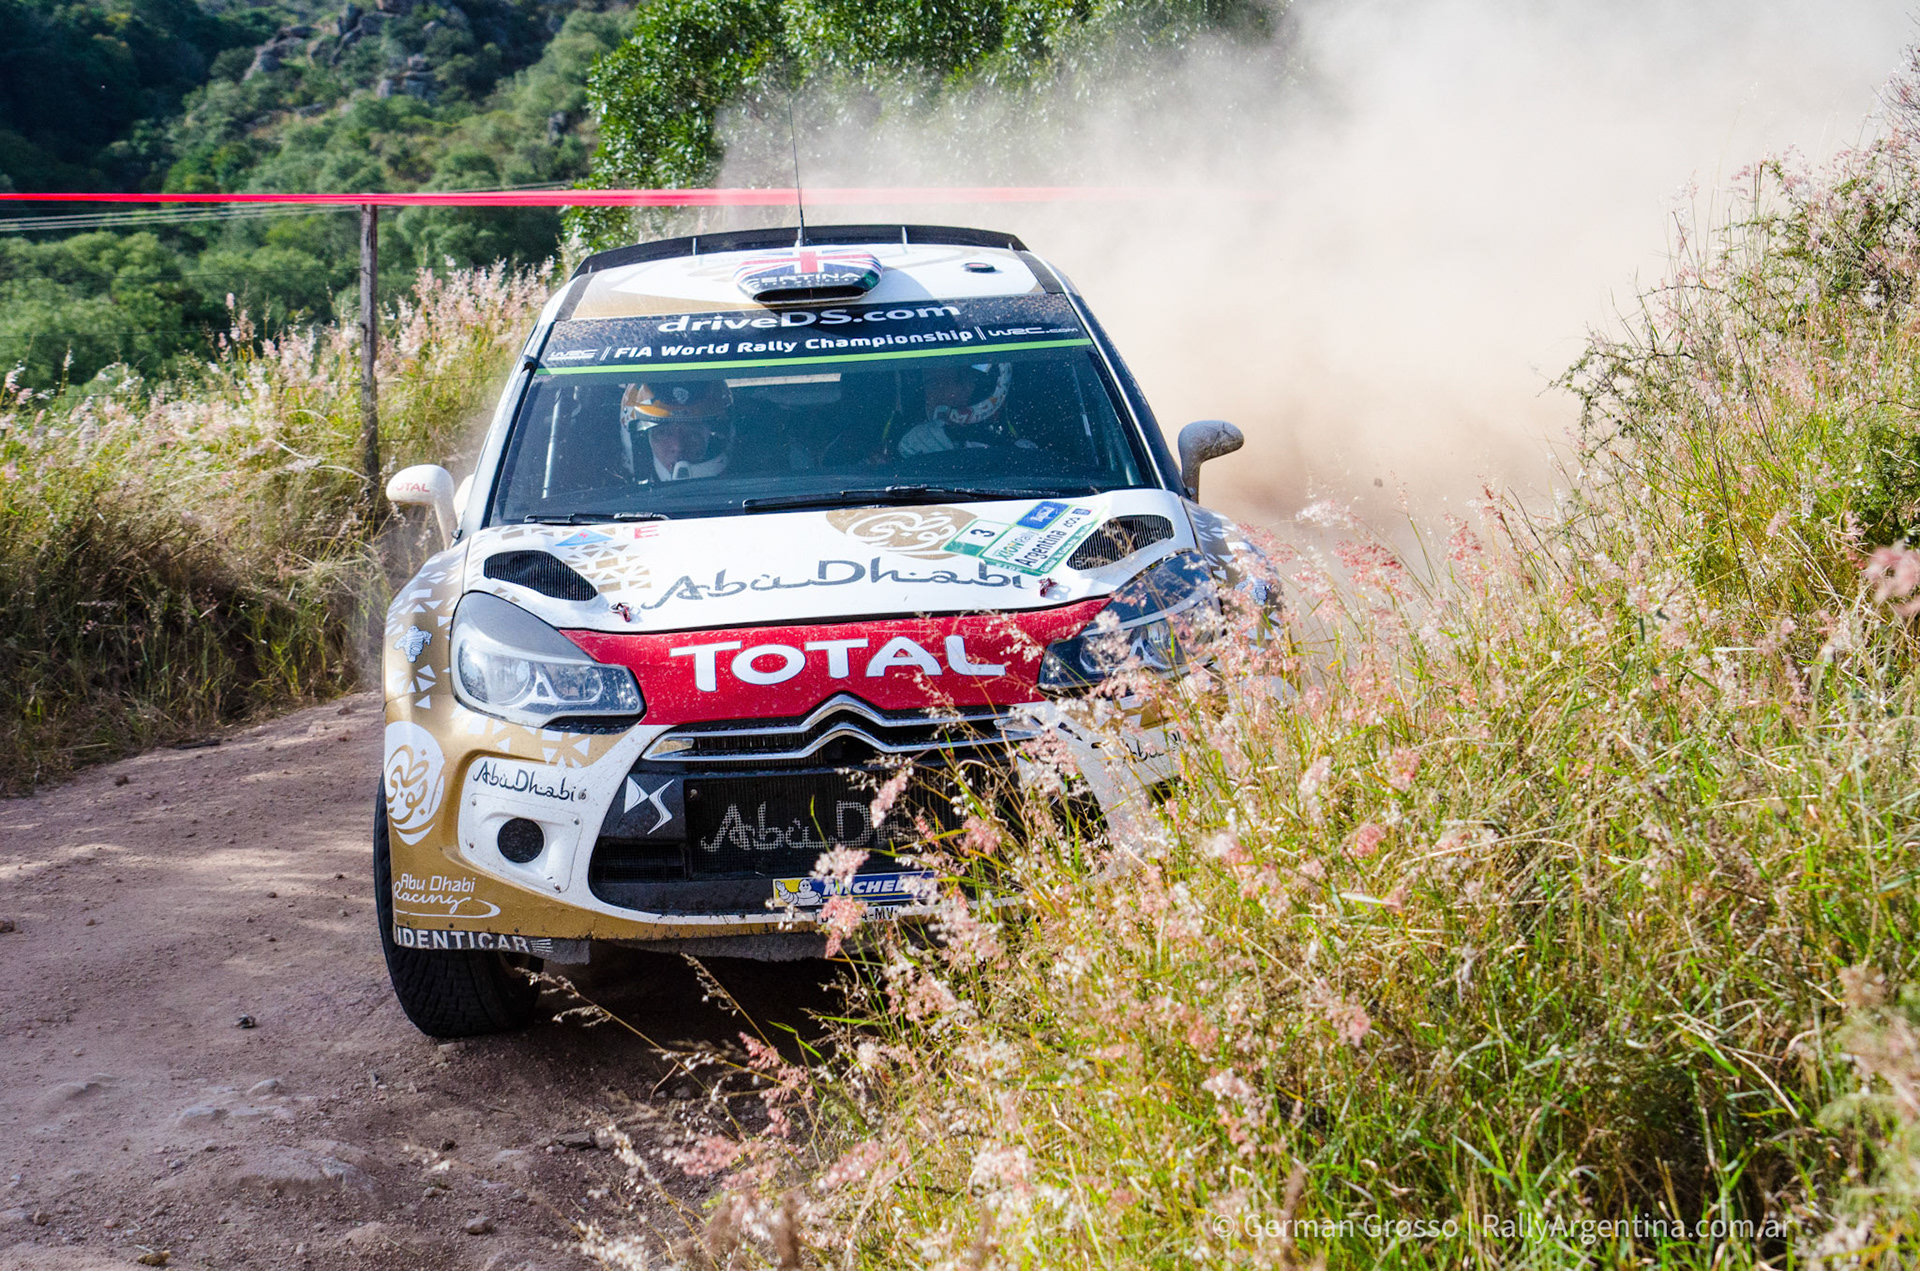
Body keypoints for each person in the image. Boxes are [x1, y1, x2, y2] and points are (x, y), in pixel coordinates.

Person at [895, 361, 1023, 457]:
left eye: (960, 380)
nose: (946, 393)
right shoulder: (915, 443)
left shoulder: (1020, 452)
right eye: (932, 383)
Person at [620, 380, 735, 481]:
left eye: (692, 433)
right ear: (643, 441)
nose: (678, 447)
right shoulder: (618, 492)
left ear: (715, 438)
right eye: (663, 433)